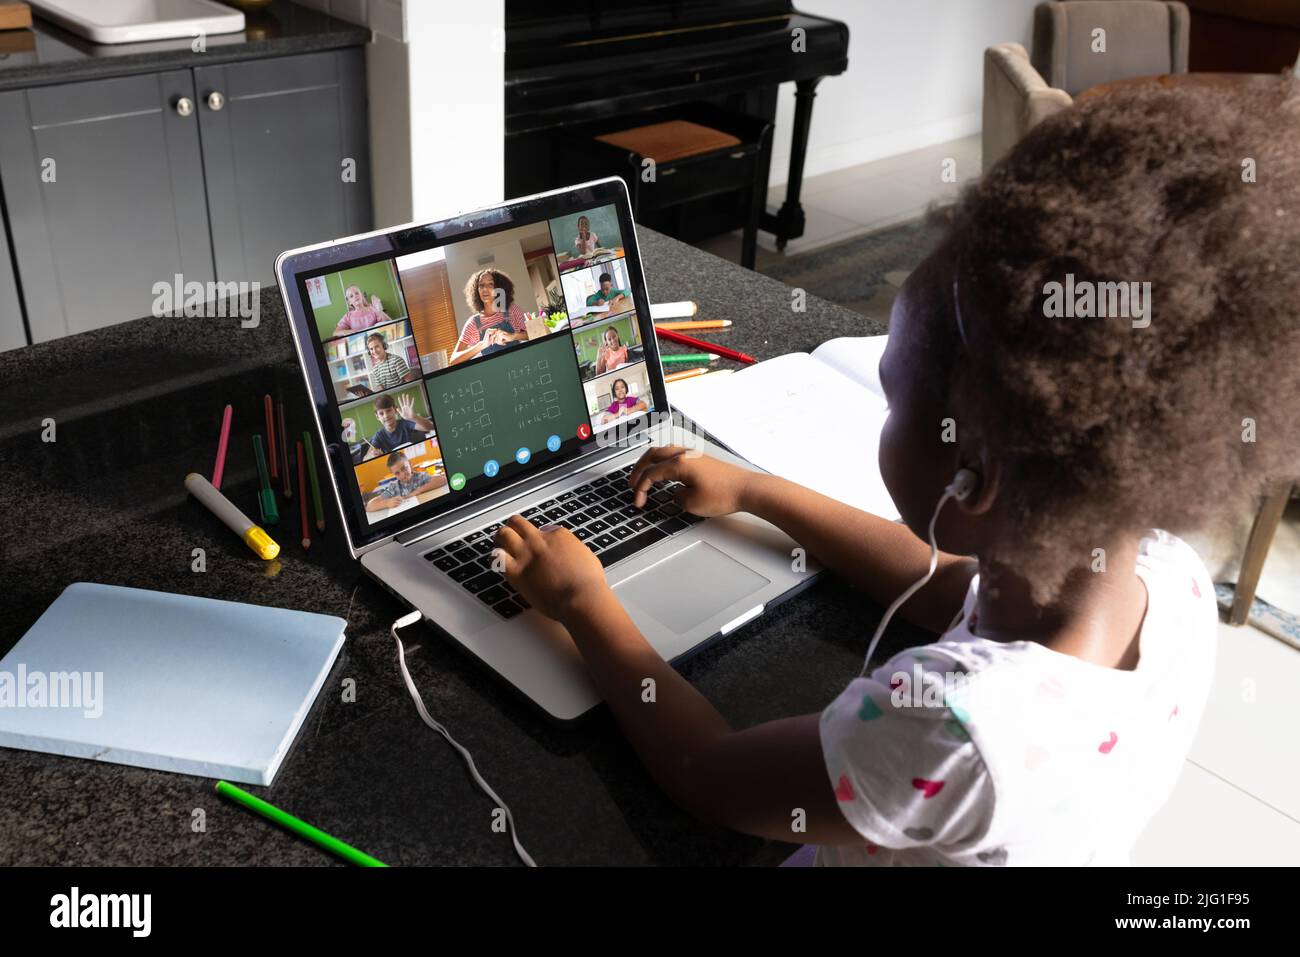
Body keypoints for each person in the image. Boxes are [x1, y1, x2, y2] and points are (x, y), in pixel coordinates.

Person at [487, 79, 1300, 864]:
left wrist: (583, 603)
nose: (885, 412)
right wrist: (756, 490)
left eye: (892, 399)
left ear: (969, 482)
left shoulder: (955, 729)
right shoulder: (1166, 573)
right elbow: (953, 581)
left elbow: (711, 776)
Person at [449, 269, 530, 365]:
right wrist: (482, 344)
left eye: (490, 284)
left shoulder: (512, 310)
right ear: (477, 290)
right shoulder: (473, 323)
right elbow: (453, 360)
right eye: (481, 285)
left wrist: (514, 336)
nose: (485, 289)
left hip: (521, 366)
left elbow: (536, 332)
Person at [366, 449, 447, 512]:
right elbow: (369, 506)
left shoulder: (420, 477)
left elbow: (443, 479)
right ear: (393, 474)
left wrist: (416, 492)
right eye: (397, 473)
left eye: (404, 468)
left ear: (410, 464)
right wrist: (387, 503)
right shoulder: (393, 487)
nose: (402, 474)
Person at [363, 392, 435, 457]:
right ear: (377, 417)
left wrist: (414, 417)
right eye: (381, 413)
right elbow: (365, 459)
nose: (386, 416)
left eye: (389, 410)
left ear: (395, 410)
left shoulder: (405, 423)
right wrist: (372, 455)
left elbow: (431, 427)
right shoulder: (379, 436)